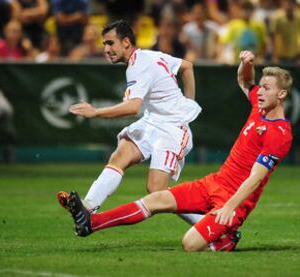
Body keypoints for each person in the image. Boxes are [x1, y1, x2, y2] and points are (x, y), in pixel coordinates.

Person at [66, 50, 293, 252]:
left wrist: (230, 207)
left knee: (190, 244)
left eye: (266, 88)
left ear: (281, 95)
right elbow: (246, 81)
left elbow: (256, 178)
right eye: (261, 87)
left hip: (234, 202)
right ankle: (91, 223)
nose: (259, 92)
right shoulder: (259, 107)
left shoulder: (279, 134)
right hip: (213, 183)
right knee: (156, 198)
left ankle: (226, 239)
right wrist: (247, 63)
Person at [58, 20, 202, 225]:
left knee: (156, 191)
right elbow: (187, 67)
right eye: (104, 44)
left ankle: (209, 224)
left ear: (126, 42)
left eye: (110, 43)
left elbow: (133, 107)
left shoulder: (139, 65)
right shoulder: (149, 55)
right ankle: (87, 208)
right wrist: (189, 103)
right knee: (120, 156)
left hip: (173, 128)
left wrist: (95, 112)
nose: (106, 49)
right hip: (153, 121)